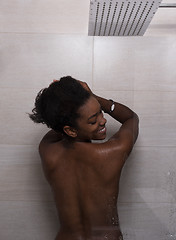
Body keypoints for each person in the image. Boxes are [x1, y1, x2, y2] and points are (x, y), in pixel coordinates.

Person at [29, 76, 139, 240]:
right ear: (71, 130)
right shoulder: (111, 153)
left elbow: (58, 125)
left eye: (100, 112)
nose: (103, 121)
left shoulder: (47, 150)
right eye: (93, 120)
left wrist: (64, 102)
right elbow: (130, 118)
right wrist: (93, 96)